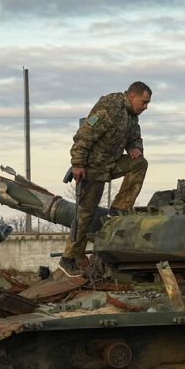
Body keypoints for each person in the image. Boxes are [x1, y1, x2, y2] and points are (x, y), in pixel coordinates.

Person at [59, 81, 152, 277]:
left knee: (140, 163)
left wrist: (136, 148)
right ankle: (68, 258)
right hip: (92, 167)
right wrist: (77, 163)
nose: (146, 107)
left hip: (111, 164)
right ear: (132, 96)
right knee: (85, 214)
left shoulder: (131, 117)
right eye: (144, 102)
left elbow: (135, 138)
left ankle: (119, 209)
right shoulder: (110, 107)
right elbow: (84, 135)